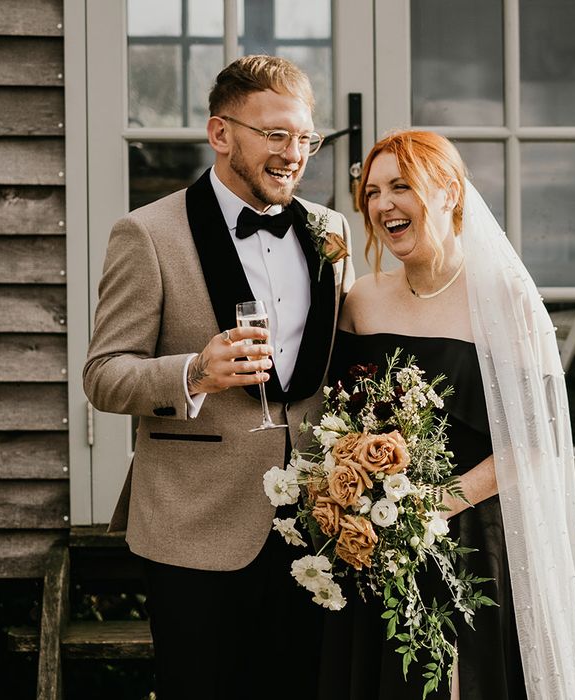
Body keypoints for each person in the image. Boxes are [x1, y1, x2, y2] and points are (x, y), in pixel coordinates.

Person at [83, 55, 354, 699]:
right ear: (221, 133)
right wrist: (195, 372)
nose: (294, 154)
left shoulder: (330, 231)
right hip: (194, 527)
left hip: (315, 528)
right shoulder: (146, 234)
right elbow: (103, 375)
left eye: (304, 138)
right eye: (275, 135)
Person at [319, 131, 575, 699]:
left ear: (449, 192)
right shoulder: (362, 301)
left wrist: (432, 508)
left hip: (471, 538)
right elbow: (336, 420)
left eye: (402, 186)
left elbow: (537, 439)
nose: (382, 205)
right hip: (372, 541)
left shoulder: (506, 299)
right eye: (372, 192)